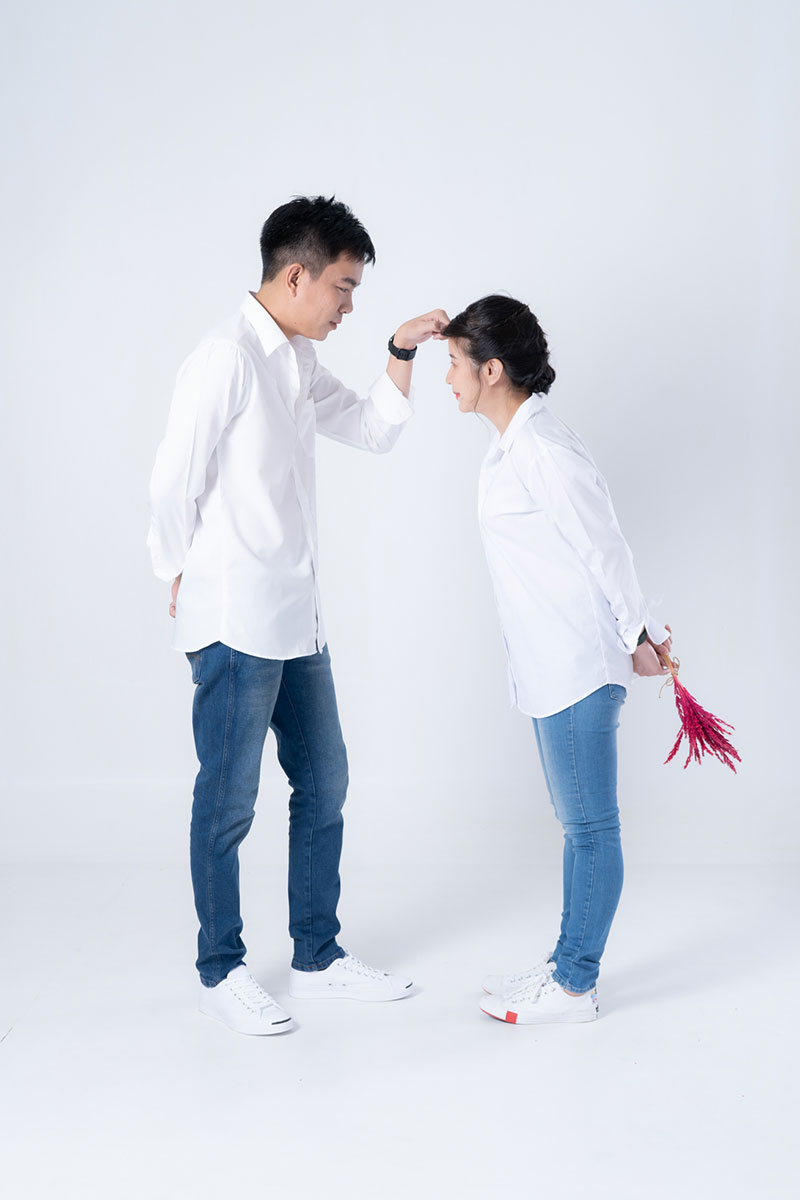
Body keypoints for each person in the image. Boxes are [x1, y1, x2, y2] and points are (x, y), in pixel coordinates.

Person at [148, 195, 448, 1035]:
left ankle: (316, 958)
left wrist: (399, 351)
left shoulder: (297, 359)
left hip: (296, 617)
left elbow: (372, 429)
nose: (348, 306)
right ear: (295, 276)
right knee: (229, 800)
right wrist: (174, 570)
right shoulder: (226, 358)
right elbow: (172, 482)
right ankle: (220, 970)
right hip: (234, 619)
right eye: (343, 288)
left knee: (324, 783)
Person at [441, 295, 671, 1025]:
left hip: (577, 665)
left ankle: (575, 986)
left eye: (455, 363)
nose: (448, 377)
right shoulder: (514, 444)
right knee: (578, 830)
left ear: (492, 370)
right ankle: (564, 964)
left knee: (592, 830)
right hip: (548, 665)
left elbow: (605, 544)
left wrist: (640, 635)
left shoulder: (541, 447)